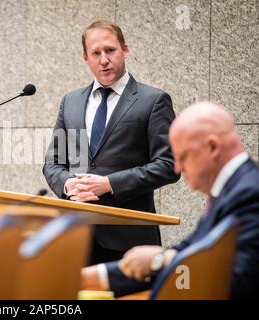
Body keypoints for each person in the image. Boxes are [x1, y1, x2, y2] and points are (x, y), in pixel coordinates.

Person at [81, 102, 259, 299]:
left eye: (182, 157)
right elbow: (188, 251)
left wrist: (160, 259)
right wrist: (88, 278)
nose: (177, 169)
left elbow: (236, 280)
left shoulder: (250, 193)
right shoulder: (231, 191)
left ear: (213, 147)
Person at [43, 20, 179, 265]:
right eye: (96, 53)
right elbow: (53, 163)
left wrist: (108, 183)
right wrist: (69, 185)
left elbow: (170, 165)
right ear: (86, 57)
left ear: (124, 50)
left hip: (129, 240)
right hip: (74, 236)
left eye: (110, 50)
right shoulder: (70, 102)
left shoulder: (154, 101)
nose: (103, 59)